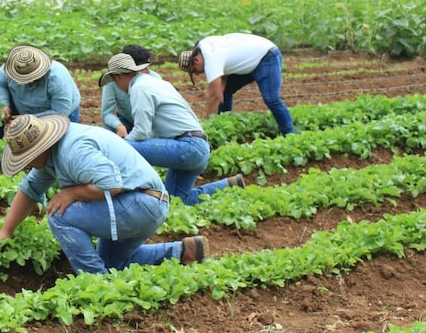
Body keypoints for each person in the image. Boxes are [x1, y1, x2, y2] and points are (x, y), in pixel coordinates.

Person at [0, 113, 209, 275]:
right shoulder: (51, 157)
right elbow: (30, 190)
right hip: (144, 203)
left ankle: (96, 282)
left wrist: (71, 194)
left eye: (26, 159)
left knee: (59, 215)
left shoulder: (73, 150)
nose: (26, 165)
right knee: (111, 263)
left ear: (39, 149)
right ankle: (182, 252)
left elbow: (111, 184)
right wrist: (5, 232)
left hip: (140, 202)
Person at [99, 53, 243, 205]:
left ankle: (122, 195)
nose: (116, 85)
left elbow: (142, 132)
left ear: (120, 76)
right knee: (174, 200)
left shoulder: (139, 88)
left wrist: (121, 142)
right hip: (198, 147)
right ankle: (228, 185)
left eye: (114, 80)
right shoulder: (155, 82)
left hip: (186, 147)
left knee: (118, 147)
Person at [178, 33, 295, 135]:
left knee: (271, 98)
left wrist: (208, 126)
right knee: (225, 91)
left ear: (196, 60)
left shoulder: (211, 59)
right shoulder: (204, 45)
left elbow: (213, 96)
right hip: (251, 59)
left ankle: (290, 135)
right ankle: (225, 127)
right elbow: (220, 84)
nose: (198, 74)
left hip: (266, 56)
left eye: (195, 71)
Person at [0, 44, 81, 138]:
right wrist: (5, 104)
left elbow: (61, 112)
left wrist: (27, 120)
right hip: (21, 105)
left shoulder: (57, 78)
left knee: (58, 144)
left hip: (56, 112)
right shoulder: (12, 67)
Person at [100, 44, 162, 137]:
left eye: (148, 66)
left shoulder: (155, 79)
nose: (148, 71)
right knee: (107, 132)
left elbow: (154, 119)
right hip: (127, 121)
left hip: (151, 124)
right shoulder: (113, 80)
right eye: (143, 68)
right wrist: (119, 126)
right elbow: (107, 113)